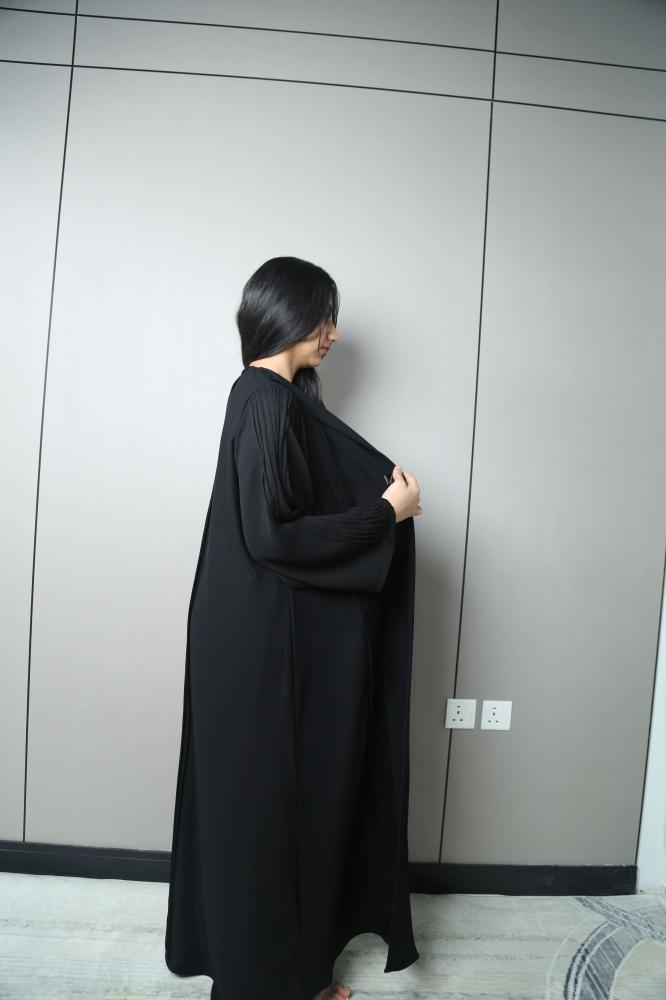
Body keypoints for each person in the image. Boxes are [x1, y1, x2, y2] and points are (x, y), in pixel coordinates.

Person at [164, 256, 422, 1000]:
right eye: (322, 315)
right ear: (285, 314)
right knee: (273, 816)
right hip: (259, 653)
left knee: (271, 814)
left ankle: (289, 978)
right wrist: (384, 515)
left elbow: (272, 526)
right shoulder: (266, 400)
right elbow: (272, 535)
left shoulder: (264, 397)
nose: (332, 332)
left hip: (252, 641)